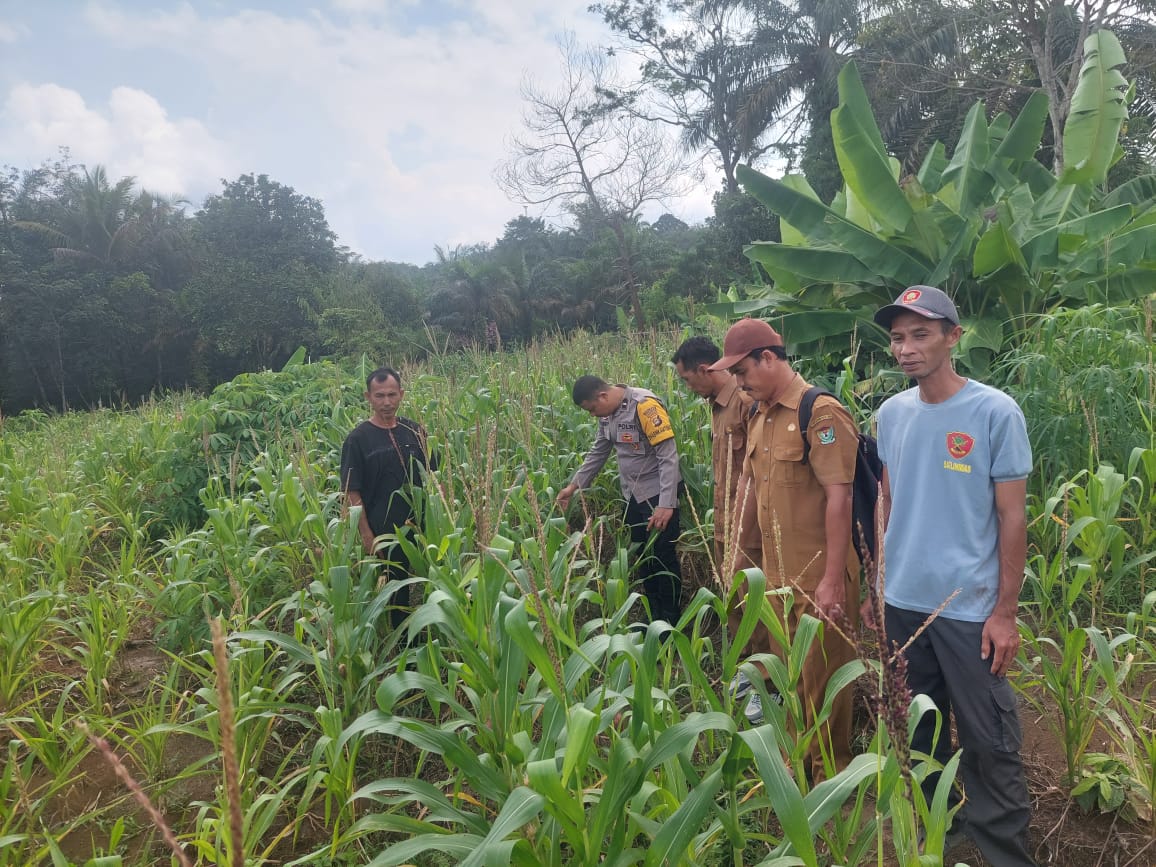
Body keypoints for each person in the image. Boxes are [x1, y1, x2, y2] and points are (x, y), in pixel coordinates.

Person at [868, 285, 1036, 865]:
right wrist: (880, 584)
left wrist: (1005, 612)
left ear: (952, 337)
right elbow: (890, 503)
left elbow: (1012, 516)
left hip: (968, 609)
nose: (906, 348)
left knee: (990, 738)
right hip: (904, 604)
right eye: (897, 337)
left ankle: (1004, 849)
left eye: (920, 334)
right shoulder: (890, 415)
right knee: (920, 733)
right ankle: (943, 832)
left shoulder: (994, 411)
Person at [709, 318, 859, 774]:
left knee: (825, 684)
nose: (738, 383)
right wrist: (739, 557)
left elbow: (841, 497)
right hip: (776, 579)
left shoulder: (821, 412)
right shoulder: (759, 415)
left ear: (768, 359)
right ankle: (798, 761)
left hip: (819, 579)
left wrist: (833, 580)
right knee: (790, 676)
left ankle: (831, 778)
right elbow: (753, 489)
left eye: (742, 372)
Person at [672, 337, 767, 722]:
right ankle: (747, 669)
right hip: (725, 519)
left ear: (705, 369)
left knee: (754, 600)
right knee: (733, 597)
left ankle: (766, 682)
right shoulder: (717, 406)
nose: (687, 387)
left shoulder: (745, 402)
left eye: (687, 379)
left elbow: (758, 471)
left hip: (751, 523)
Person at [556, 375, 683, 626]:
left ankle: (671, 623)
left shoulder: (645, 406)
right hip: (633, 496)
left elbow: (668, 456)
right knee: (644, 559)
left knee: (662, 557)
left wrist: (666, 505)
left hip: (658, 495)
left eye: (592, 409)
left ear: (602, 396)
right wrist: (574, 485)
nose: (593, 415)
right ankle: (654, 618)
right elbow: (599, 452)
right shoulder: (607, 415)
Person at [340, 367, 433, 630]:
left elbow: (434, 475)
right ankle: (405, 646)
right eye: (379, 396)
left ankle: (433, 634)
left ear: (401, 394)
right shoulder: (358, 440)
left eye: (392, 395)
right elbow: (352, 492)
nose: (386, 402)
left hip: (423, 524)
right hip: (387, 532)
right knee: (397, 589)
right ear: (368, 397)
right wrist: (368, 537)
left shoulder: (413, 430)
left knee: (430, 580)